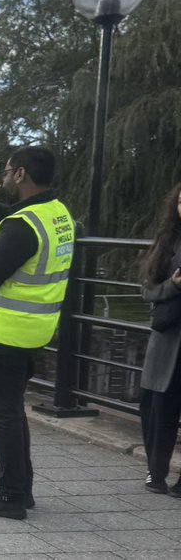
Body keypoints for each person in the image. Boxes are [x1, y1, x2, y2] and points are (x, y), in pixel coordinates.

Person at [0, 146, 74, 520]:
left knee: (3, 414)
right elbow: (14, 222)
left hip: (3, 332)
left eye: (8, 171)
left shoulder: (23, 225)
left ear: (20, 174)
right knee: (13, 411)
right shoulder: (57, 215)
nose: (5, 177)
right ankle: (21, 485)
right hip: (33, 330)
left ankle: (11, 496)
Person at [138, 182, 181, 496]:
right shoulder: (167, 241)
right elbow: (148, 289)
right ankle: (156, 472)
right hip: (168, 336)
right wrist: (174, 285)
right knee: (156, 405)